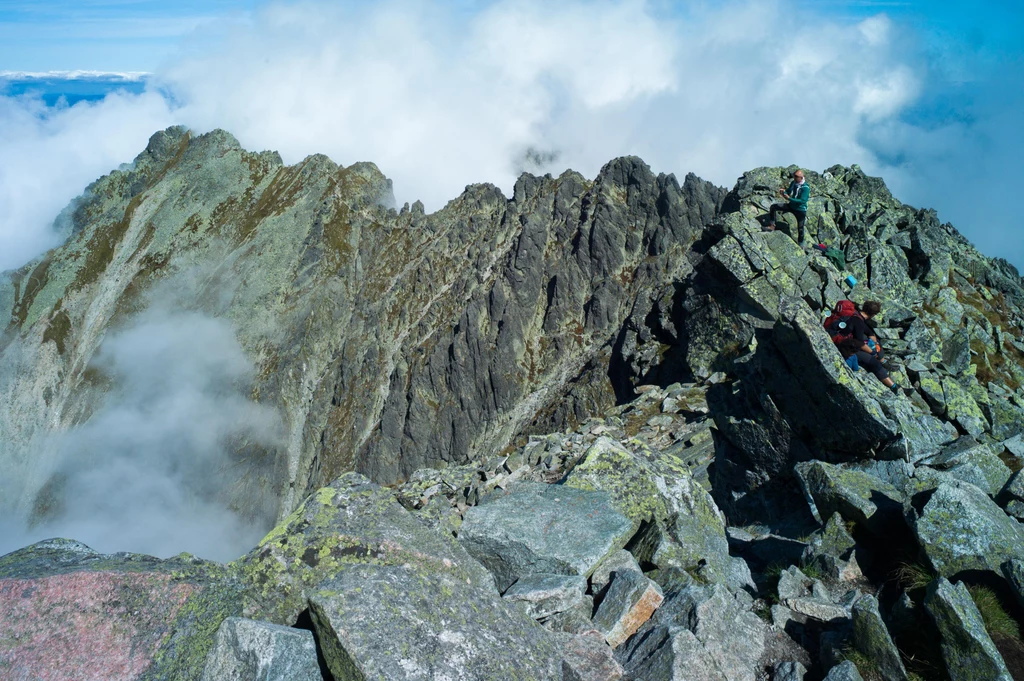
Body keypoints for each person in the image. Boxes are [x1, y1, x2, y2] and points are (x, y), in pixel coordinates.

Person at [834, 300, 901, 394]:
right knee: (873, 362)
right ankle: (893, 387)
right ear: (873, 315)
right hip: (844, 347)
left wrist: (875, 343)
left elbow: (869, 332)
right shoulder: (859, 322)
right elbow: (860, 344)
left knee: (875, 343)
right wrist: (873, 353)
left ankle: (883, 362)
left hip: (841, 340)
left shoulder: (855, 314)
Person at [765, 170, 809, 243]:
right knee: (773, 207)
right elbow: (789, 191)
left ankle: (801, 244)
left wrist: (789, 198)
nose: (794, 178)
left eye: (796, 176)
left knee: (800, 228)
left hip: (800, 210)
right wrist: (784, 192)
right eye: (794, 176)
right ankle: (772, 226)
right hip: (791, 206)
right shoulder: (794, 182)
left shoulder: (805, 188)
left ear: (801, 177)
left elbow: (802, 201)